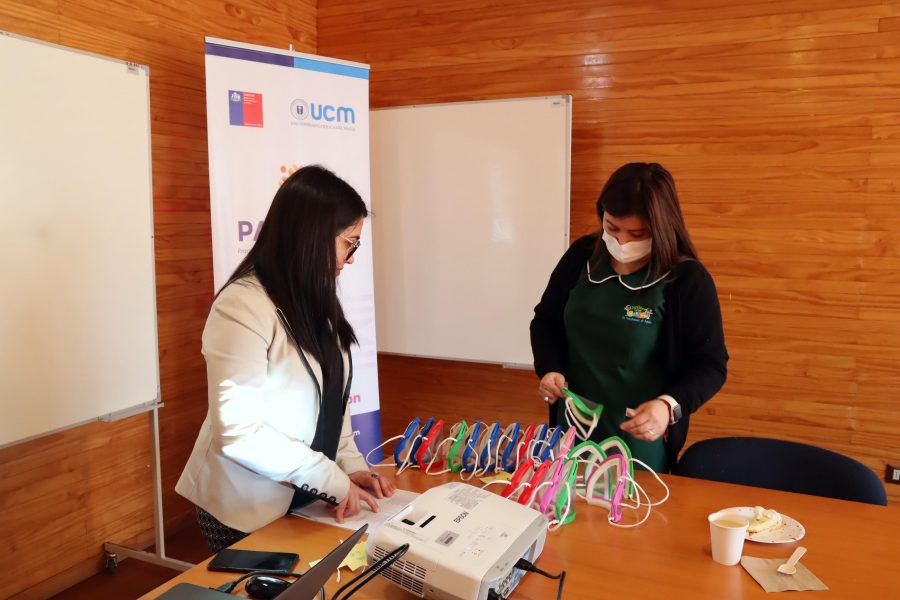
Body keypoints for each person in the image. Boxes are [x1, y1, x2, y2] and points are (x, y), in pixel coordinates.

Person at [176, 165, 395, 552]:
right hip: (245, 510)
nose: (352, 257)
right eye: (350, 243)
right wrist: (332, 479)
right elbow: (239, 434)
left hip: (309, 499)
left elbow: (333, 406)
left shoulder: (317, 299)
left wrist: (351, 465)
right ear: (313, 237)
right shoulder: (241, 307)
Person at [529, 162, 728, 472]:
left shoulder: (686, 279)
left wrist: (667, 406)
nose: (622, 242)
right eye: (612, 228)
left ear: (662, 227)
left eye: (637, 233)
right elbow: (546, 321)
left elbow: (711, 366)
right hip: (572, 430)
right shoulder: (582, 256)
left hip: (639, 439)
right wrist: (549, 368)